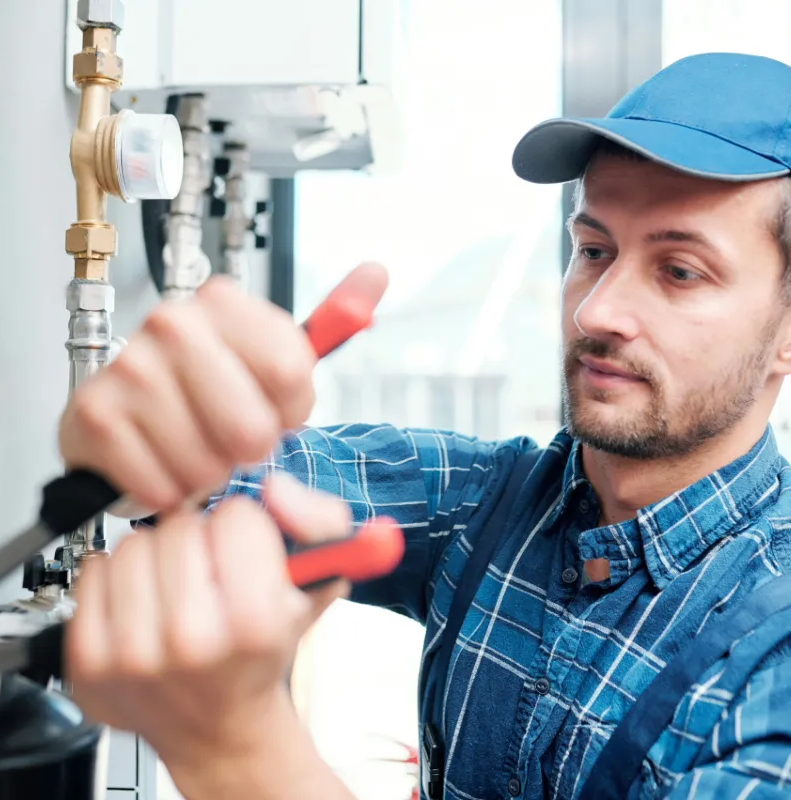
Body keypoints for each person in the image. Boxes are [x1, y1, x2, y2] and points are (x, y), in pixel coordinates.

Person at [60, 51, 791, 799]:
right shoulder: (494, 501)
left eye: (680, 271)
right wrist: (136, 441)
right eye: (594, 250)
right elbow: (209, 478)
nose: (595, 311)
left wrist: (238, 749)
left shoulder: (775, 655)